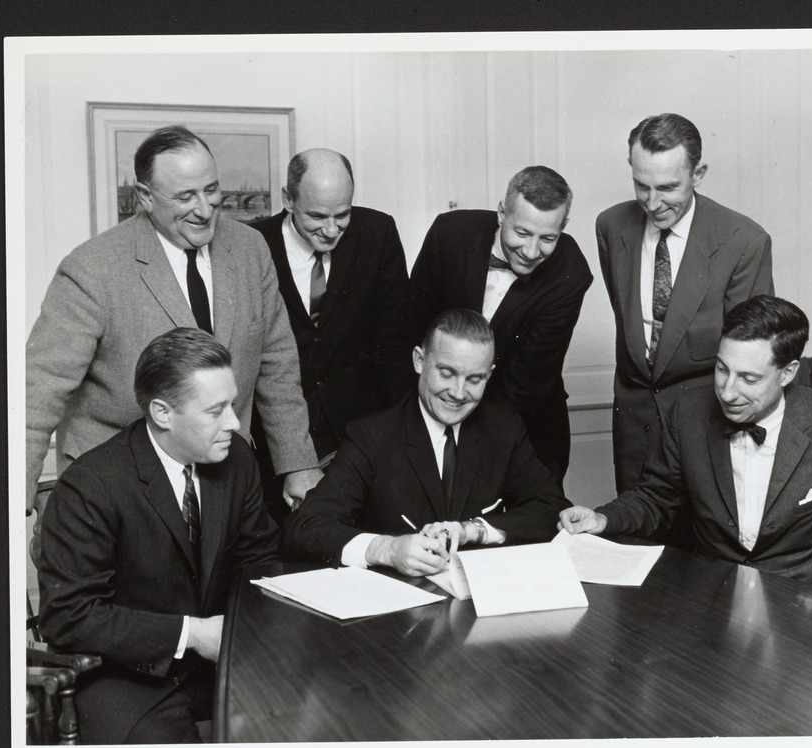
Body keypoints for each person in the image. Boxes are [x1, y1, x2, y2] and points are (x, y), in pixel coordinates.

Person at [25, 125, 322, 517]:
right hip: (119, 490)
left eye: (211, 189)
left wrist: (297, 462)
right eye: (185, 196)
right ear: (145, 198)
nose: (204, 208)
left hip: (225, 481)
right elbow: (40, 389)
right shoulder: (91, 269)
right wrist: (15, 485)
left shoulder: (250, 249)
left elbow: (277, 364)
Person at [560, 296, 812, 602]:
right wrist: (603, 518)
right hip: (712, 598)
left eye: (749, 379)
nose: (728, 392)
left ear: (787, 373)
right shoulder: (688, 412)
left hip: (808, 600)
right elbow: (657, 496)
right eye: (722, 369)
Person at [37, 329, 281, 744]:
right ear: (162, 413)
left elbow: (258, 559)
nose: (235, 423)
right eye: (215, 410)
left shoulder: (236, 457)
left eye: (233, 404)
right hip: (126, 677)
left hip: (225, 662)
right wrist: (194, 635)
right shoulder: (91, 485)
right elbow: (68, 616)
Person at [284, 309, 570, 576]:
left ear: (490, 375)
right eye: (446, 373)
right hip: (395, 611)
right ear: (419, 361)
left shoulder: (503, 428)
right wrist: (386, 549)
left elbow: (550, 508)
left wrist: (473, 530)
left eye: (475, 379)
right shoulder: (371, 436)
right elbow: (305, 527)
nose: (458, 393)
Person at [597, 113, 774, 493]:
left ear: (698, 174)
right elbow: (628, 320)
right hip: (633, 428)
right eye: (641, 186)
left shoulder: (744, 242)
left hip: (707, 426)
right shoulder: (611, 227)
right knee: (632, 540)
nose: (652, 203)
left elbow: (750, 355)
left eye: (668, 187)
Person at [249, 148, 416, 521]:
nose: (330, 229)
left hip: (361, 436)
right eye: (317, 216)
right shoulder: (251, 244)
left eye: (343, 215)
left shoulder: (377, 233)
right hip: (276, 441)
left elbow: (394, 343)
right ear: (288, 199)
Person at [410, 166, 593, 487]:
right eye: (521, 233)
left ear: (563, 227)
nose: (532, 251)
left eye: (548, 238)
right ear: (501, 213)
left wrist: (470, 449)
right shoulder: (449, 233)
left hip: (525, 426)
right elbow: (412, 329)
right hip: (433, 415)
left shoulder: (571, 270)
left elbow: (528, 381)